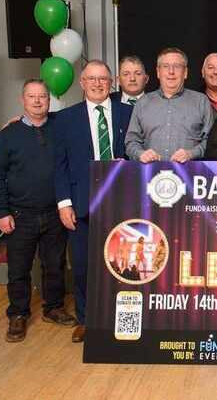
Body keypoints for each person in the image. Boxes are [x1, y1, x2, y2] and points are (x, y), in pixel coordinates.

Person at [0, 79, 77, 342]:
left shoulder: (60, 127)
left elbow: (80, 112)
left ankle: (53, 308)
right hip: (19, 215)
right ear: (22, 100)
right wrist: (2, 212)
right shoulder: (8, 135)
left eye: (42, 97)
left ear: (49, 101)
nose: (37, 101)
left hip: (54, 213)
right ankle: (18, 314)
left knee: (55, 265)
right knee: (18, 269)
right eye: (32, 96)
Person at [54, 60, 133, 343]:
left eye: (103, 79)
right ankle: (86, 319)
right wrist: (64, 203)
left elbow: (138, 150)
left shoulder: (129, 113)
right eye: (92, 79)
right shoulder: (65, 118)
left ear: (112, 83)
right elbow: (59, 164)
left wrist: (126, 161)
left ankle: (120, 316)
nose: (97, 84)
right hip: (81, 201)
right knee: (84, 263)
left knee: (123, 262)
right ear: (82, 83)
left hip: (122, 201)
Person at [125, 47, 214, 163]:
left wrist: (191, 153)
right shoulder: (142, 103)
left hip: (190, 175)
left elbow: (211, 142)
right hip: (149, 176)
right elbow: (131, 140)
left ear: (185, 72)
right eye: (165, 66)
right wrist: (140, 154)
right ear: (158, 72)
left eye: (176, 66)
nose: (171, 71)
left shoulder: (201, 101)